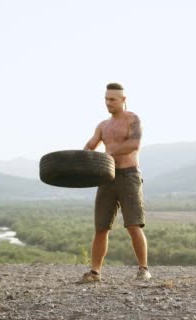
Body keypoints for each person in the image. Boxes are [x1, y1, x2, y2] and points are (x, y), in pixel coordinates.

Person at [79, 82, 151, 283]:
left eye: (112, 99)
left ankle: (143, 269)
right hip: (106, 177)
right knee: (101, 228)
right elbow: (90, 146)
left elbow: (134, 144)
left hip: (129, 176)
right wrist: (79, 161)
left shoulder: (133, 120)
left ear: (123, 100)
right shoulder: (103, 126)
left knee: (133, 225)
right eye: (106, 99)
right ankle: (95, 272)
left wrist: (109, 151)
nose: (108, 103)